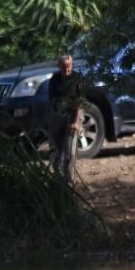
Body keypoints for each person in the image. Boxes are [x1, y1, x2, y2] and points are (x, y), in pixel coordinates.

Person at [47, 53, 84, 182]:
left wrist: (75, 122)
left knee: (69, 151)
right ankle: (58, 176)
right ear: (59, 67)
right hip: (58, 116)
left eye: (69, 67)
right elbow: (52, 101)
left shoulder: (77, 78)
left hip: (74, 114)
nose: (67, 70)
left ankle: (69, 179)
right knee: (59, 150)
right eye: (64, 67)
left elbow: (79, 102)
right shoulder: (54, 80)